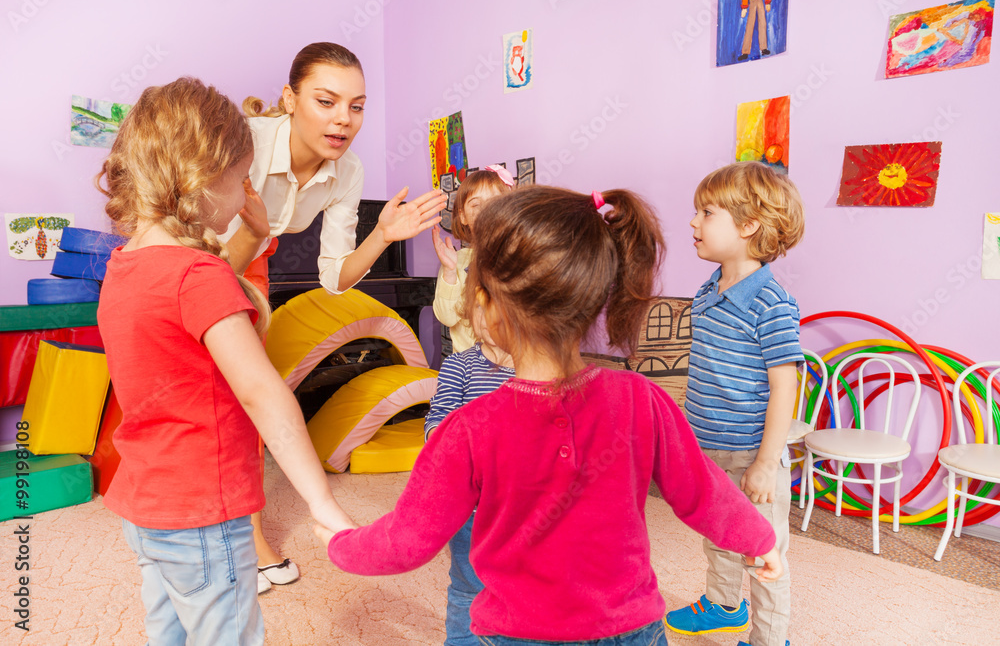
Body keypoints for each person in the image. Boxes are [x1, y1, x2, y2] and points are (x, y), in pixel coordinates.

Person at [315, 185, 782, 645]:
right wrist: (758, 540)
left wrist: (340, 543)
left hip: (518, 635)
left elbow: (407, 540)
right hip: (632, 630)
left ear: (487, 306)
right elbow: (704, 491)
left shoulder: (468, 429)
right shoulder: (643, 399)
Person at [95, 77, 356, 645]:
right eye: (241, 180)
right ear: (204, 179)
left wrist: (252, 240)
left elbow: (187, 312)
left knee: (170, 632)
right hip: (204, 514)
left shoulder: (125, 267)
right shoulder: (198, 276)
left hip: (147, 508)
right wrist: (322, 501)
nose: (243, 196)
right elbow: (263, 395)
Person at [220, 42, 445, 591]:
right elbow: (201, 239)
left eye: (357, 106)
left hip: (255, 257)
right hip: (198, 248)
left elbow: (335, 278)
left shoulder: (348, 172)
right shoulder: (241, 144)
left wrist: (383, 235)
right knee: (228, 397)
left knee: (250, 401)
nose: (343, 119)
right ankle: (237, 538)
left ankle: (244, 533)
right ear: (289, 98)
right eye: (326, 100)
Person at [665, 161, 805, 646]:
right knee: (718, 532)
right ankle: (724, 605)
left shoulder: (772, 301)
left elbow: (785, 386)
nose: (693, 222)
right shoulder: (709, 288)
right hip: (708, 448)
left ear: (748, 226)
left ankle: (769, 639)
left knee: (763, 553)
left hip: (751, 454)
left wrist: (767, 462)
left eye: (706, 212)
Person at [424, 332, 515, 645]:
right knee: (468, 586)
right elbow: (439, 415)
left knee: (523, 585)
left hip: (525, 507)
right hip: (472, 508)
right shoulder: (459, 365)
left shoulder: (538, 367)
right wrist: (447, 443)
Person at [431, 165, 513, 355]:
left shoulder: (519, 259)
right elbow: (447, 318)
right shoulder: (456, 261)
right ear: (463, 216)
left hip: (513, 367)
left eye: (495, 202)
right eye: (476, 204)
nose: (486, 210)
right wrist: (450, 271)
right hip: (468, 371)